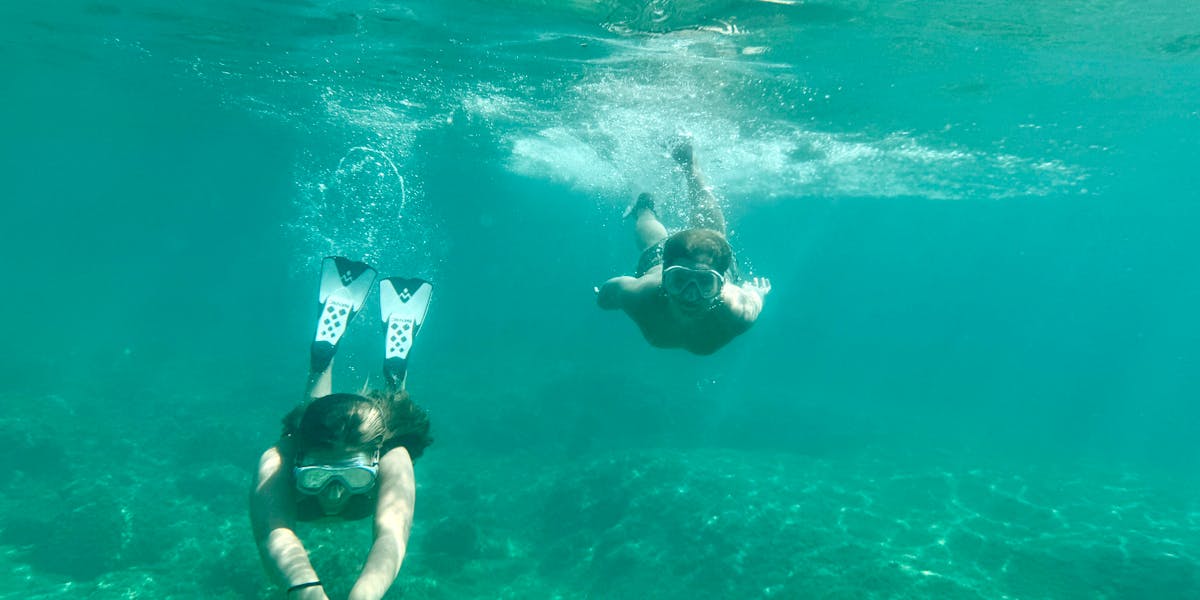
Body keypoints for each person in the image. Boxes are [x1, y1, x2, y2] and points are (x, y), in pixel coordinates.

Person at [251, 257, 434, 600]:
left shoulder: (391, 458)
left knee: (394, 414)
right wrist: (309, 594)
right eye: (317, 477)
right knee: (312, 418)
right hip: (313, 439)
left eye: (356, 476)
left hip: (367, 438)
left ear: (375, 461)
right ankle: (382, 364)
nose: (334, 495)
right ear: (300, 461)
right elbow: (273, 534)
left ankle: (335, 359)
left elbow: (391, 536)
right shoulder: (282, 458)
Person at [596, 139, 771, 355]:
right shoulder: (640, 295)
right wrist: (603, 297)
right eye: (679, 280)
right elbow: (613, 290)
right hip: (662, 265)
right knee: (658, 243)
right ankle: (644, 208)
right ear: (664, 278)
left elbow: (753, 302)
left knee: (711, 239)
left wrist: (756, 293)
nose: (690, 295)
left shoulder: (739, 312)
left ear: (722, 283)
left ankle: (690, 168)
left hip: (698, 266)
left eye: (705, 283)